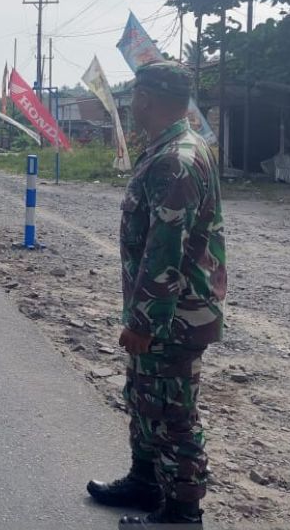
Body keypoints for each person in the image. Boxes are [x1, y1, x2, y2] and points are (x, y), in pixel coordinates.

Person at [86, 61, 227, 527]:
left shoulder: (176, 159)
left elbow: (166, 249)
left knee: (171, 412)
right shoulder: (174, 147)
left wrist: (143, 323)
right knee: (146, 397)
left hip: (171, 314)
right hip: (164, 309)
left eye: (133, 98)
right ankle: (147, 481)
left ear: (146, 98)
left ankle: (182, 513)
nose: (131, 106)